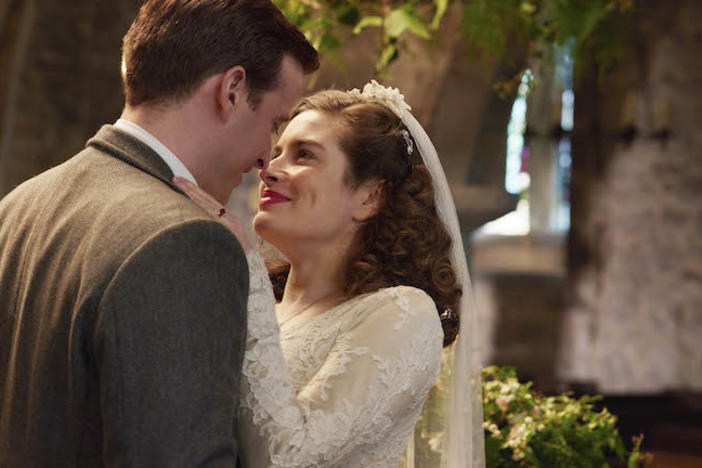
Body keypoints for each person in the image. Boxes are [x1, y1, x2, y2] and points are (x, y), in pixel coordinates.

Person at [0, 0, 318, 466]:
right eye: (273, 124)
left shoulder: (18, 206)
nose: (263, 159)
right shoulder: (187, 242)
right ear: (232, 90)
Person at [175, 81, 485, 467]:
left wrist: (248, 267)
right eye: (277, 152)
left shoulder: (403, 314)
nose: (269, 170)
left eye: (304, 155)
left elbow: (288, 458)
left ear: (370, 197)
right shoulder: (250, 303)